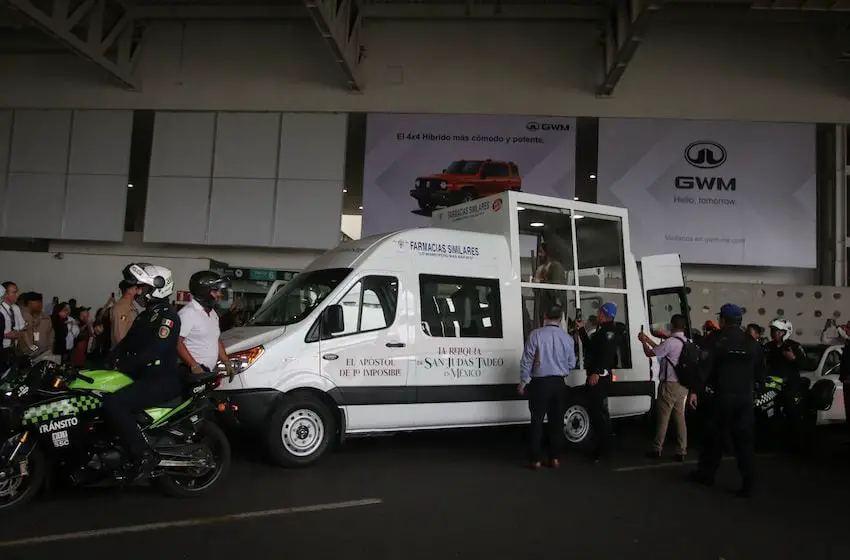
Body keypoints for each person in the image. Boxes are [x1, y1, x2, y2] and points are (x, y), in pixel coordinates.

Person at [102, 263, 181, 480]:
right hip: (143, 376)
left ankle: (144, 455)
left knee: (114, 403)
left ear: (158, 288)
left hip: (161, 379)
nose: (138, 292)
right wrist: (105, 364)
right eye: (139, 288)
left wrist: (125, 365)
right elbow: (126, 344)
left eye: (143, 288)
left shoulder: (168, 317)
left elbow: (155, 351)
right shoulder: (146, 316)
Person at [690, 303, 764, 498]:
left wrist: (695, 391)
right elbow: (761, 372)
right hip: (744, 399)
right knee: (745, 443)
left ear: (722, 320)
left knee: (713, 439)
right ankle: (748, 484)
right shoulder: (752, 343)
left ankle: (706, 475)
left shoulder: (714, 340)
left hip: (720, 398)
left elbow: (703, 368)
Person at [518, 305, 576, 469]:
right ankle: (555, 458)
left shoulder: (535, 335)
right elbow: (572, 363)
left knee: (536, 421)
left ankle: (535, 460)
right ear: (560, 319)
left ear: (544, 316)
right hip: (559, 383)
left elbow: (527, 360)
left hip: (539, 383)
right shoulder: (567, 338)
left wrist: (523, 381)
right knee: (557, 422)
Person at [639, 314, 690, 461]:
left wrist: (643, 342)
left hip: (669, 384)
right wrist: (648, 340)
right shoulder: (687, 342)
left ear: (672, 326)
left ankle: (657, 448)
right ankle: (681, 450)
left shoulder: (670, 342)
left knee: (663, 418)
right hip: (683, 385)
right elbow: (661, 351)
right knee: (680, 418)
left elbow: (650, 353)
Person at [576, 301, 621, 462]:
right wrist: (581, 329)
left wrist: (596, 372)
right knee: (598, 412)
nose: (598, 316)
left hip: (599, 378)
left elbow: (606, 355)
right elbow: (591, 347)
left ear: (604, 314)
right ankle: (602, 447)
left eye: (599, 313)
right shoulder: (605, 330)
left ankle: (602, 449)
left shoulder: (608, 333)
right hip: (599, 376)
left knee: (598, 414)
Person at [177, 270, 234, 380]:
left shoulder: (212, 313)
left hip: (206, 372)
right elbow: (177, 342)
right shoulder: (188, 313)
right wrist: (194, 366)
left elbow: (214, 339)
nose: (219, 294)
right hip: (191, 372)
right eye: (215, 291)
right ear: (204, 292)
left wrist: (226, 361)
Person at [763, 318, 807, 451]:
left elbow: (807, 364)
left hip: (789, 384)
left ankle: (797, 443)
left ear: (784, 332)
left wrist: (794, 359)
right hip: (770, 384)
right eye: (772, 330)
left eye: (776, 331)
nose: (773, 333)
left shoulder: (794, 346)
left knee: (790, 407)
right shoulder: (768, 347)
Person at [109, 280, 140, 348]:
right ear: (129, 290)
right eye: (136, 288)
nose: (139, 291)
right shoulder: (121, 308)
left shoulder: (130, 306)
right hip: (124, 353)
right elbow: (120, 336)